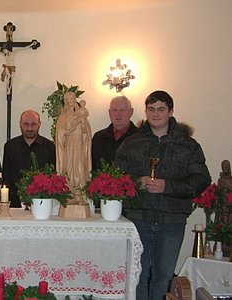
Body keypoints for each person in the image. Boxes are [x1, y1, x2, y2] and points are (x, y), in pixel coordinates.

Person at [115, 90, 211, 300]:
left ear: (171, 111)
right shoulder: (131, 143)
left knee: (164, 277)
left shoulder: (188, 145)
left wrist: (167, 186)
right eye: (151, 109)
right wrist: (135, 183)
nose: (156, 114)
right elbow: (114, 178)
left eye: (161, 109)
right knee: (136, 276)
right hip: (137, 219)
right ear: (145, 111)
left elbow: (201, 180)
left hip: (172, 221)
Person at [2, 110, 56, 208]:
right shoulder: (10, 146)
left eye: (33, 124)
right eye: (26, 124)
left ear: (39, 124)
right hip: (15, 203)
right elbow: (6, 176)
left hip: (42, 201)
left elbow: (53, 175)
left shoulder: (49, 147)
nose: (30, 128)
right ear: (20, 124)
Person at [55, 92, 91, 201]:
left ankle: (79, 192)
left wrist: (83, 124)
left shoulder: (81, 113)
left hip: (79, 145)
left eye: (72, 99)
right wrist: (69, 128)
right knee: (69, 168)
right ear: (65, 101)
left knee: (79, 167)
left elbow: (86, 132)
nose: (70, 102)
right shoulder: (63, 115)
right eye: (68, 100)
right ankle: (70, 192)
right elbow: (61, 132)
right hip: (69, 146)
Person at [91, 95, 137, 171]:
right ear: (109, 113)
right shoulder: (98, 138)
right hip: (102, 182)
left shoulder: (140, 138)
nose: (118, 114)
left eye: (122, 110)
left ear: (131, 112)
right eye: (114, 110)